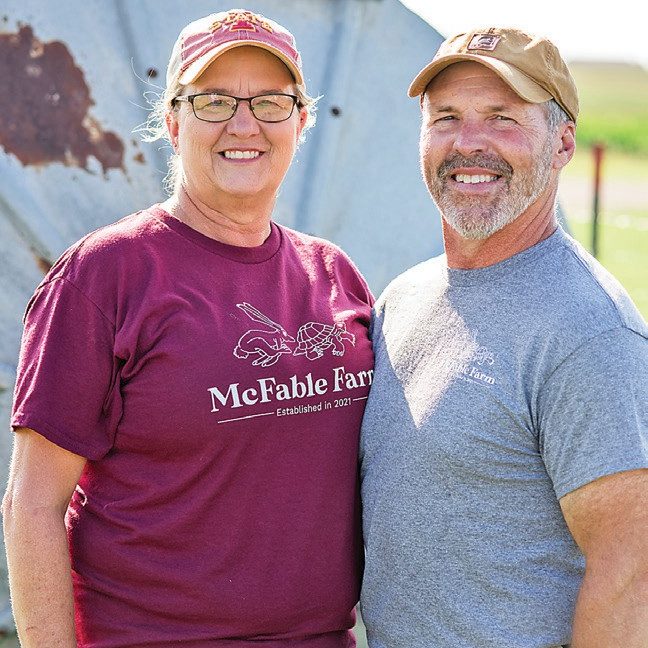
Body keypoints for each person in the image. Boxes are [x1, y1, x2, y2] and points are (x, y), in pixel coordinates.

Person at [4, 9, 373, 647]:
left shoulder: (333, 275)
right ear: (173, 123)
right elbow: (34, 506)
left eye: (270, 101)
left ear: (302, 121)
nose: (243, 123)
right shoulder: (106, 276)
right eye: (212, 101)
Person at [359, 27, 648, 647]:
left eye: (502, 118)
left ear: (562, 141)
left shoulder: (587, 330)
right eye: (446, 118)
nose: (468, 144)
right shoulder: (403, 299)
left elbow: (631, 573)